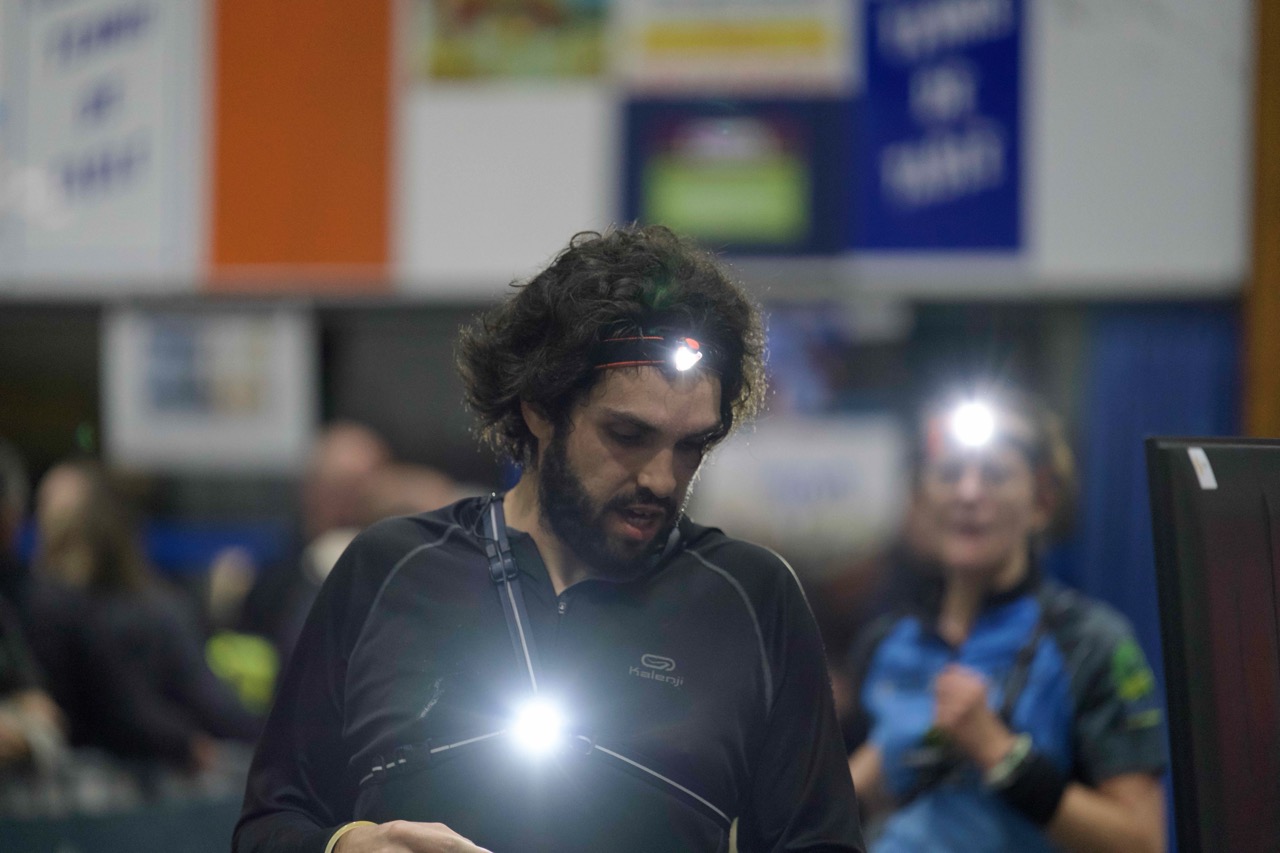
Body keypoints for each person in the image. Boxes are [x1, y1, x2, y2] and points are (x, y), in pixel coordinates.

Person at [234, 225, 865, 853]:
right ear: (540, 407)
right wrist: (346, 847)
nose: (661, 478)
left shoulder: (752, 600)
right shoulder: (390, 568)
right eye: (628, 436)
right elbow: (270, 823)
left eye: (691, 446)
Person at [845, 389, 1167, 852]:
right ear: (920, 499)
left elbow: (1144, 841)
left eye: (995, 475)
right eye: (948, 474)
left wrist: (1001, 752)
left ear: (1042, 502)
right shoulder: (886, 643)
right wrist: (874, 770)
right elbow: (832, 816)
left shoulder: (1089, 642)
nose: (968, 494)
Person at [27, 459, 261, 772]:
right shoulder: (51, 607)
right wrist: (185, 744)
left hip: (125, 771)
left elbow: (196, 699)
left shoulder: (149, 608)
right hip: (110, 772)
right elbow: (121, 703)